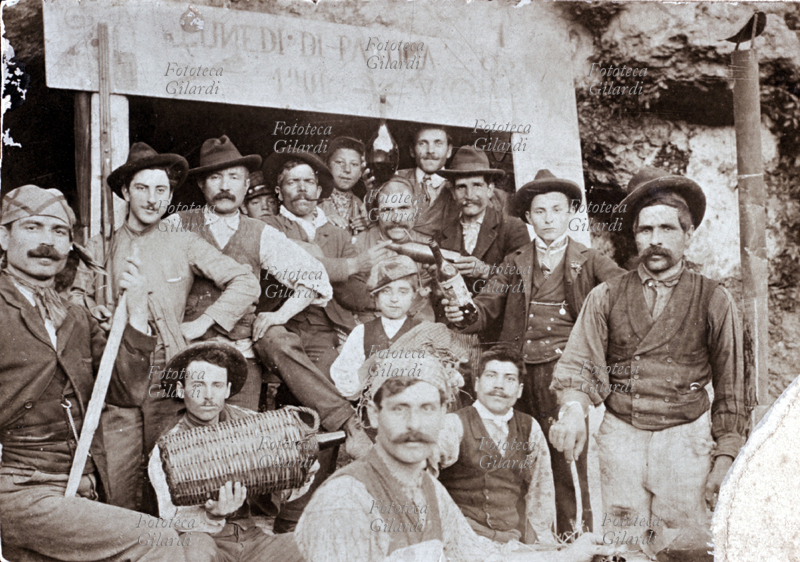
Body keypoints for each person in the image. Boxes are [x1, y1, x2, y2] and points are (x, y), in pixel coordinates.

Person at [548, 167, 753, 555]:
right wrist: (573, 410)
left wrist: (726, 454)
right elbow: (580, 367)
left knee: (686, 547)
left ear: (688, 235)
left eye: (667, 229)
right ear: (635, 235)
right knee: (623, 547)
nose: (655, 241)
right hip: (621, 440)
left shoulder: (714, 299)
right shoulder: (606, 295)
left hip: (685, 441)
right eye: (645, 231)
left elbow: (734, 388)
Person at [70, 142, 261, 511]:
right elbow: (74, 299)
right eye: (142, 188)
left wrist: (201, 323)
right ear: (126, 191)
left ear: (170, 195)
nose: (152, 199)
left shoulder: (185, 242)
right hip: (115, 372)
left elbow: (245, 282)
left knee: (169, 481)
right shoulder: (97, 246)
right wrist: (96, 313)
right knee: (120, 483)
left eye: (162, 190)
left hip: (168, 373)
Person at [0, 184, 187, 561]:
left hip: (82, 483)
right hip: (18, 487)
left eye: (59, 232)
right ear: (4, 236)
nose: (46, 242)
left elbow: (125, 391)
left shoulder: (75, 315)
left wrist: (135, 313)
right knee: (157, 540)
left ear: (70, 246)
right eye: (32, 227)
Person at [294, 353, 620, 562]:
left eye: (427, 409)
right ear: (374, 414)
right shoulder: (343, 500)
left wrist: (568, 556)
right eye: (399, 408)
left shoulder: (429, 492)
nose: (414, 425)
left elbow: (480, 555)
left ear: (443, 416)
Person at [443, 169, 625, 536]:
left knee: (568, 457)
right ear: (527, 217)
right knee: (516, 454)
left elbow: (626, 296)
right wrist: (462, 312)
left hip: (566, 374)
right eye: (540, 212)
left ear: (571, 213)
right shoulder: (515, 260)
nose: (548, 219)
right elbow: (485, 308)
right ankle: (525, 540)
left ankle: (577, 540)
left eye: (557, 210)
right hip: (520, 374)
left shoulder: (589, 260)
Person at [166, 136, 333, 417]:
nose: (224, 186)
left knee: (241, 446)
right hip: (187, 354)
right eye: (215, 177)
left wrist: (279, 315)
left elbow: (315, 277)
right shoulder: (176, 224)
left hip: (240, 358)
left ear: (246, 184)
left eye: (234, 177)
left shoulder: (260, 232)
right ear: (201, 184)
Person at [148, 342, 310, 562]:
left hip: (251, 539)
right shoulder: (167, 450)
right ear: (180, 389)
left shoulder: (251, 423)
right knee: (195, 551)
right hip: (204, 542)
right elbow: (171, 518)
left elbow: (281, 487)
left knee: (312, 545)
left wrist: (301, 474)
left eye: (216, 385)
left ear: (227, 389)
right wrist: (212, 515)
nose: (208, 395)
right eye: (198, 385)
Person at [437, 345, 557, 545]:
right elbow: (424, 475)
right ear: (476, 384)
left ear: (519, 391)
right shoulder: (453, 424)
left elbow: (540, 493)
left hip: (509, 541)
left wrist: (542, 547)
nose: (499, 386)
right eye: (491, 376)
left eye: (509, 379)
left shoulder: (529, 427)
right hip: (461, 538)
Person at [434, 146, 529, 341]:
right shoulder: (441, 234)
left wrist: (485, 271)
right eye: (461, 187)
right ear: (452, 192)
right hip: (455, 334)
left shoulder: (512, 228)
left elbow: (524, 279)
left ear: (490, 189)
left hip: (498, 335)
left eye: (477, 185)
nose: (469, 195)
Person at [330, 256, 423, 399]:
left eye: (403, 291)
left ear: (413, 295)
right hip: (373, 410)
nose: (394, 299)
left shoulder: (423, 330)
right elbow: (346, 388)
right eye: (386, 291)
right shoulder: (361, 332)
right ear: (375, 296)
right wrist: (369, 365)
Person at [394, 125, 508, 238]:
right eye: (422, 143)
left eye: (438, 143)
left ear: (449, 150)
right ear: (412, 150)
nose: (430, 151)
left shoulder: (493, 196)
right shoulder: (394, 181)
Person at [320, 136, 370, 235]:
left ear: (361, 170)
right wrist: (320, 220)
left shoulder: (363, 205)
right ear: (327, 165)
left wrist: (369, 227)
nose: (347, 169)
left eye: (354, 164)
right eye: (339, 162)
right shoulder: (314, 199)